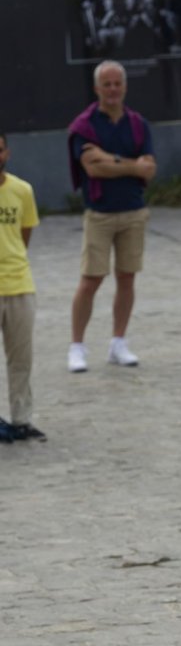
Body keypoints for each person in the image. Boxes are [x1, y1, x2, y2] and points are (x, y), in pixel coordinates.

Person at [67, 59, 156, 373]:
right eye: (107, 84)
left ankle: (118, 342)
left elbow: (149, 167)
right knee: (91, 279)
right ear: (96, 89)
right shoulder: (85, 125)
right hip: (100, 214)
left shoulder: (137, 124)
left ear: (125, 86)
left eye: (118, 83)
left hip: (133, 210)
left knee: (127, 277)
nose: (113, 89)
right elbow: (92, 167)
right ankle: (77, 346)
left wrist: (110, 160)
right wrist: (129, 164)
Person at [0, 132, 45, 444]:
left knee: (21, 357)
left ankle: (22, 419)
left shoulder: (22, 190)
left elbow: (23, 235)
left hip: (18, 284)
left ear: (7, 153)